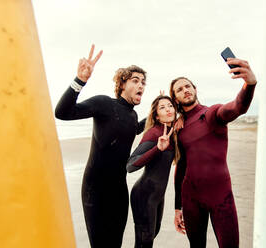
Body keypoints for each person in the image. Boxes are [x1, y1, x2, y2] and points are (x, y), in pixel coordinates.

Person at [55, 45, 147, 248]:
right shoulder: (104, 104)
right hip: (95, 191)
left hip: (119, 191)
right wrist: (80, 81)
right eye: (135, 80)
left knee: (115, 244)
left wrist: (158, 112)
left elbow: (135, 129)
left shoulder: (132, 116)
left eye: (143, 82)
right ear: (122, 84)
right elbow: (62, 112)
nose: (141, 85)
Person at [171, 57, 257, 248]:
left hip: (220, 195)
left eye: (187, 86)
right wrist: (178, 206)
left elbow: (236, 107)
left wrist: (249, 85)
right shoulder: (179, 127)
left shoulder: (211, 114)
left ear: (194, 89)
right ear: (175, 98)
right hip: (190, 197)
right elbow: (181, 166)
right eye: (179, 89)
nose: (185, 90)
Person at [126, 95, 179, 248]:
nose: (168, 109)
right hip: (144, 194)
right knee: (145, 240)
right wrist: (157, 148)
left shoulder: (172, 131)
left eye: (170, 106)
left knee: (152, 234)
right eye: (162, 108)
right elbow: (131, 165)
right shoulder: (154, 133)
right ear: (156, 116)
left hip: (157, 195)